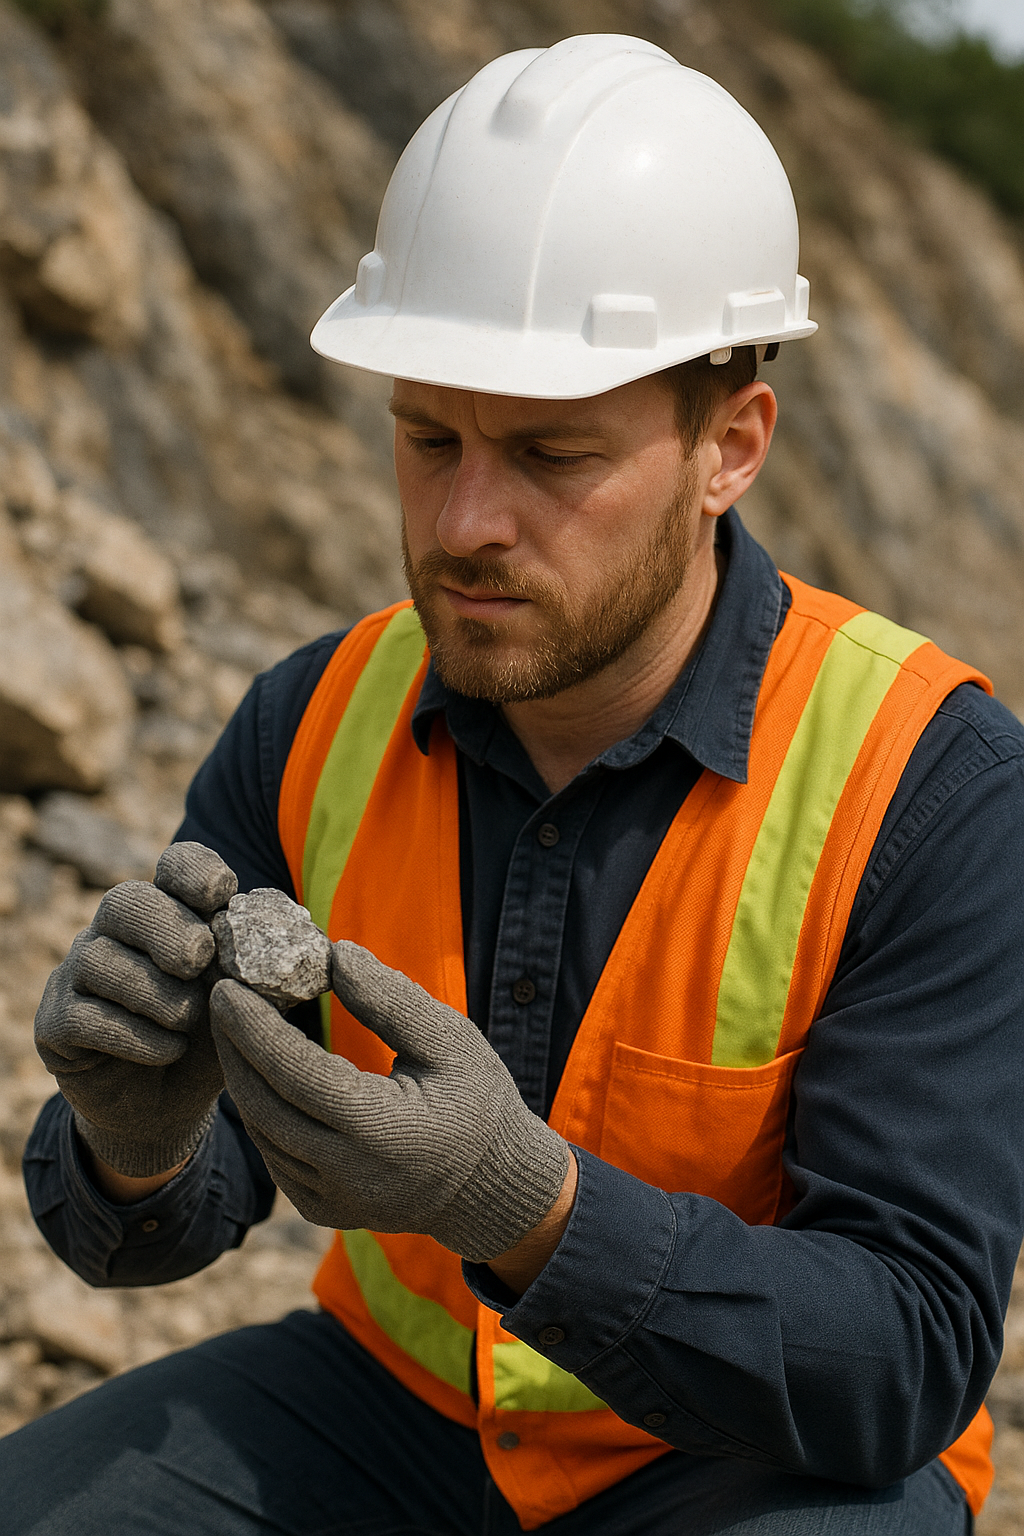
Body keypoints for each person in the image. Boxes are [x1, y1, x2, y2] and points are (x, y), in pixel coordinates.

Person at [5, 33, 1024, 1536]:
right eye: (429, 439)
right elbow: (165, 1218)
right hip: (393, 1420)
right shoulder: (314, 715)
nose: (465, 521)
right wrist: (134, 1144)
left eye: (551, 456)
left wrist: (527, 1209)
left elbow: (907, 1354)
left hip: (749, 1468)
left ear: (729, 445)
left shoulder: (927, 785)